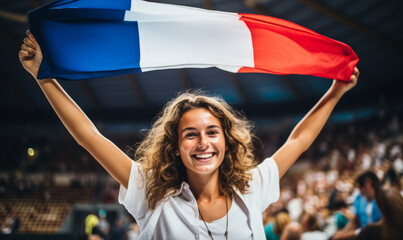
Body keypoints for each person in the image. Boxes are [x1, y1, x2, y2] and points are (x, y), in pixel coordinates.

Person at [19, 30, 359, 239]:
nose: (203, 143)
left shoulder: (252, 187)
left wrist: (335, 92)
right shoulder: (150, 191)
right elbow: (89, 137)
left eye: (212, 132)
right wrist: (43, 77)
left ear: (226, 140)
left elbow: (298, 141)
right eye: (190, 135)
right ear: (175, 146)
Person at [333, 171, 381, 240]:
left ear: (368, 183)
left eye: (360, 188)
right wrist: (341, 233)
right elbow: (356, 221)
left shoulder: (383, 199)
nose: (360, 192)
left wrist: (344, 235)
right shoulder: (359, 198)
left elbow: (378, 227)